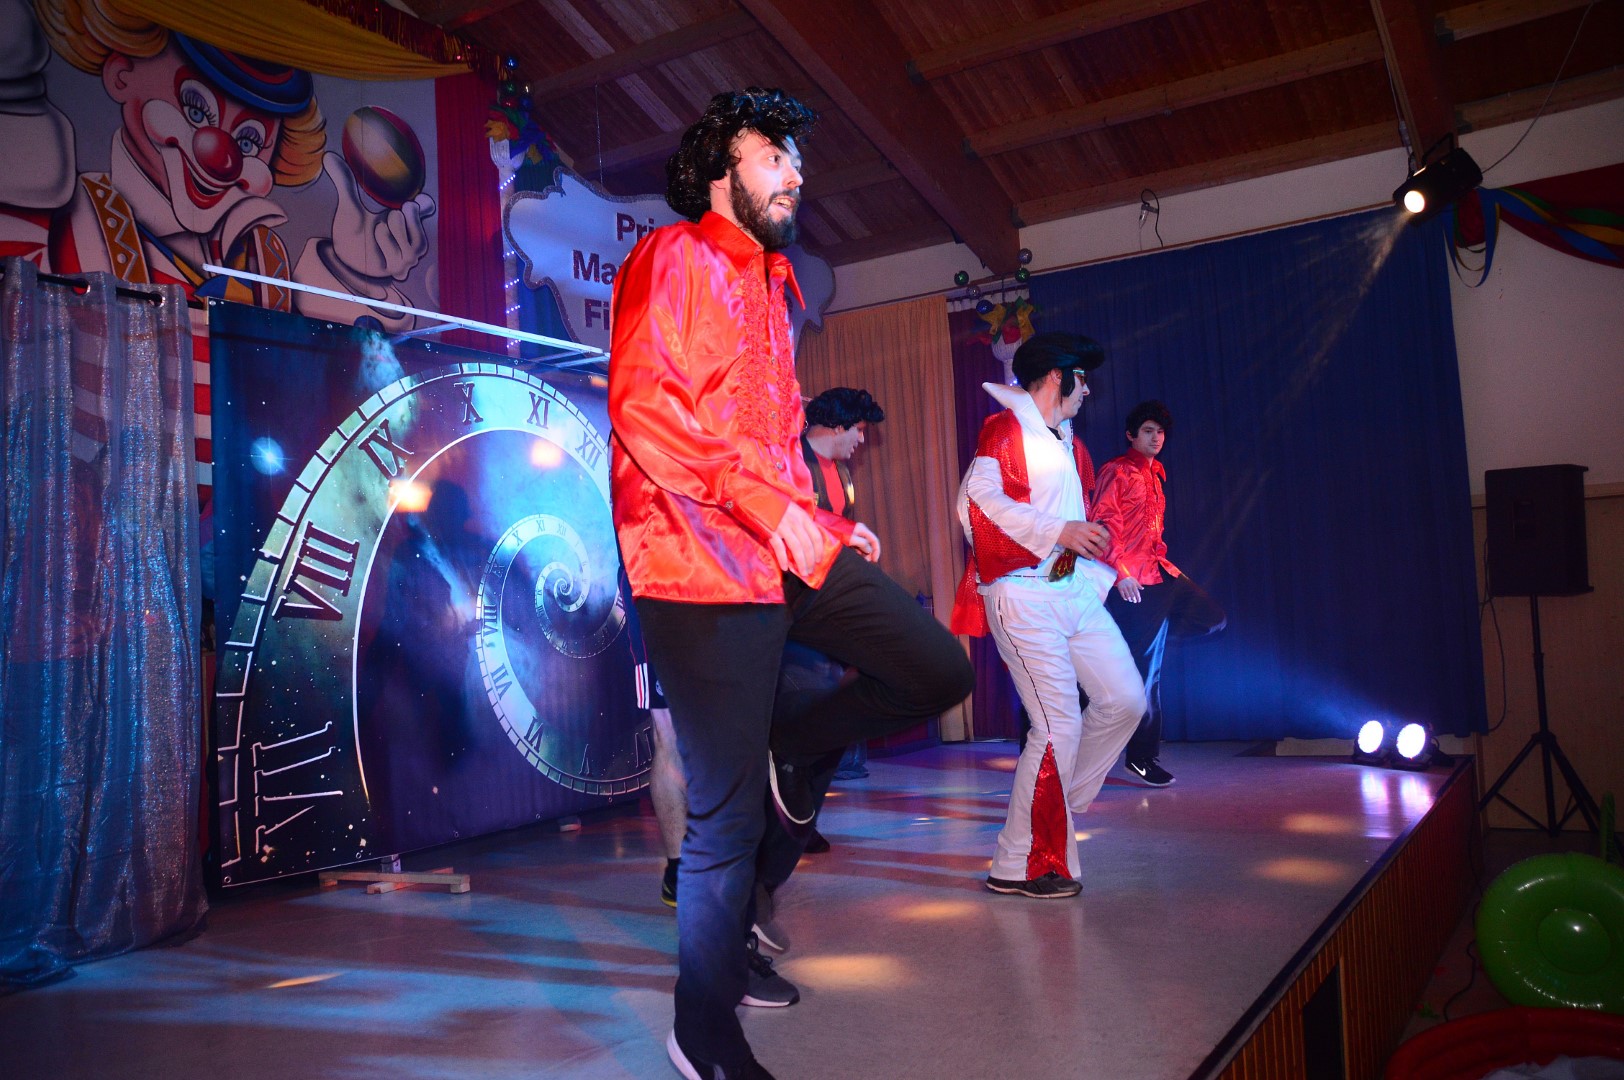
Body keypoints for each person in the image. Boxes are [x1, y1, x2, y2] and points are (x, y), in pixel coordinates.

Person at [609, 87, 972, 1080]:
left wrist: (826, 521)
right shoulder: (673, 255)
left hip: (780, 548)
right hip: (693, 559)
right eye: (775, 156)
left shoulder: (775, 287)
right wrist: (776, 514)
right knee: (725, 818)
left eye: (796, 160)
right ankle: (703, 1026)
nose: (796, 174)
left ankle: (792, 745)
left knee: (936, 669)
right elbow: (645, 409)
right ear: (720, 170)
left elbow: (770, 439)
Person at [950, 332, 1145, 899]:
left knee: (1126, 700)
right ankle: (1019, 865)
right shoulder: (1005, 430)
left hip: (1071, 590)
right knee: (1058, 728)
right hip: (1023, 598)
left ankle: (1057, 801)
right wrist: (1059, 530)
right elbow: (974, 504)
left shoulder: (1069, 443)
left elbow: (1066, 522)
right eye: (1082, 379)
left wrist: (1082, 537)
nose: (1087, 390)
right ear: (1058, 376)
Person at [1092, 401, 1227, 787]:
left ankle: (1138, 645)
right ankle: (1140, 758)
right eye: (1148, 431)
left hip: (1160, 573)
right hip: (1133, 584)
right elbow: (1102, 523)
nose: (1156, 438)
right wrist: (1120, 573)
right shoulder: (1117, 470)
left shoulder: (1156, 474)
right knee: (1146, 677)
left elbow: (1151, 533)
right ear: (1131, 435)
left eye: (1160, 432)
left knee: (1212, 618)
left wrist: (1167, 566)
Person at [800, 387, 885, 786]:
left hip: (832, 592)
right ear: (837, 427)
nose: (862, 440)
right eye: (859, 430)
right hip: (800, 597)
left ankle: (841, 762)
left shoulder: (842, 471)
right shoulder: (793, 463)